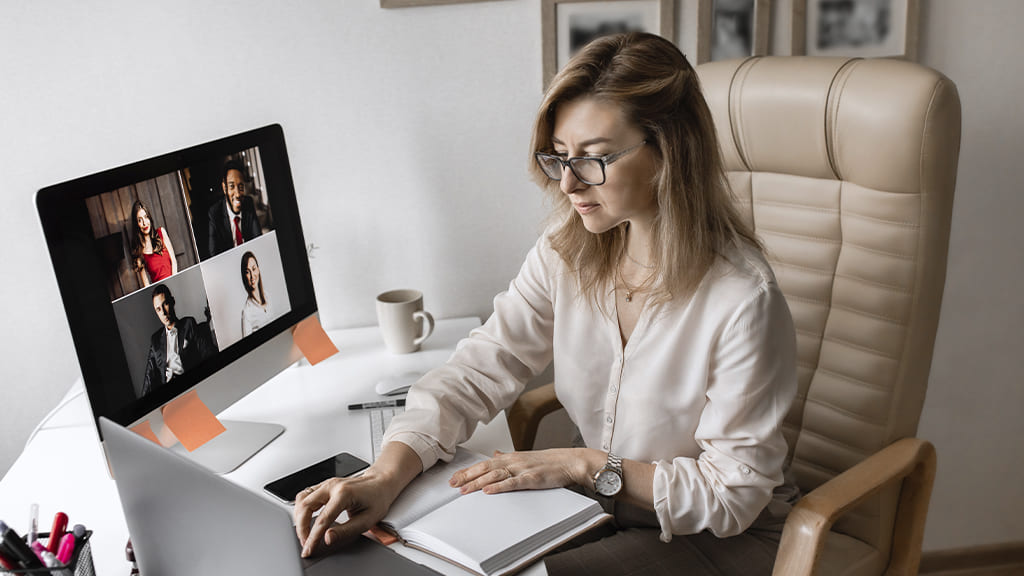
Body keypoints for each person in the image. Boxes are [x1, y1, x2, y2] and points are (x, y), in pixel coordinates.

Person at [294, 33, 797, 575]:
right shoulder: (569, 250)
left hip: (720, 538)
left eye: (596, 158)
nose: (569, 184)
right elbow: (482, 367)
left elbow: (733, 497)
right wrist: (384, 475)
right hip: (597, 512)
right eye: (560, 158)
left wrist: (583, 466)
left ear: (670, 151)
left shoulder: (742, 298)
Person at [141, 284, 215, 397]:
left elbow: (208, 354)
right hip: (169, 395)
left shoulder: (189, 324)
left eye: (165, 304)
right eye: (158, 309)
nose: (163, 313)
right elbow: (148, 378)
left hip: (191, 387)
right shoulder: (156, 339)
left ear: (172, 302)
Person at [207, 159, 262, 257]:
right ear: (224, 188)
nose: (237, 194)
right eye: (232, 186)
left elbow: (259, 240)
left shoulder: (248, 203)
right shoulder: (215, 213)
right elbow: (214, 255)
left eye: (241, 187)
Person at [129, 200, 178, 286]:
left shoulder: (161, 233)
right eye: (140, 220)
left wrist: (174, 285)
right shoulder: (139, 253)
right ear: (136, 224)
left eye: (146, 217)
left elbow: (174, 261)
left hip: (175, 283)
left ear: (150, 218)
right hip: (160, 294)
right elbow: (146, 284)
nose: (145, 223)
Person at [240, 251, 272, 337]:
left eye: (253, 269)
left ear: (258, 269)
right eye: (247, 272)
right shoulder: (246, 312)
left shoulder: (267, 296)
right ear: (244, 276)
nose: (252, 276)